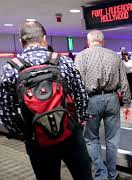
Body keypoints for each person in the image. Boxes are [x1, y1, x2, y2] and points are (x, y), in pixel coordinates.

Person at [0, 21, 93, 180]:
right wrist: (80, 121)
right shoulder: (63, 61)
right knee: (83, 176)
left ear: (21, 42)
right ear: (45, 38)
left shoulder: (10, 69)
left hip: (37, 138)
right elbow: (82, 96)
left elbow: (5, 112)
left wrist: (24, 131)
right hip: (70, 132)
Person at [75, 30, 131, 180]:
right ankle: (112, 174)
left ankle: (101, 174)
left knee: (91, 138)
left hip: (91, 100)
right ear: (103, 41)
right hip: (112, 99)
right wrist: (126, 103)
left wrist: (78, 107)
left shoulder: (81, 56)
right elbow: (124, 82)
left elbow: (77, 84)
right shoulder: (114, 56)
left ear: (88, 41)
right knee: (112, 139)